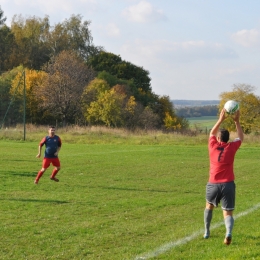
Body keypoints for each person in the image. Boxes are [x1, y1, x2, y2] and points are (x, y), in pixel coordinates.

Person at [203, 108, 244, 245]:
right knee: (228, 213)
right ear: (228, 139)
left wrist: (220, 119)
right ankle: (228, 232)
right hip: (228, 184)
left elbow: (211, 133)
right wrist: (237, 122)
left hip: (213, 183)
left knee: (209, 206)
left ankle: (207, 231)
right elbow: (241, 137)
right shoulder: (231, 147)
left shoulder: (213, 146)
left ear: (219, 139)